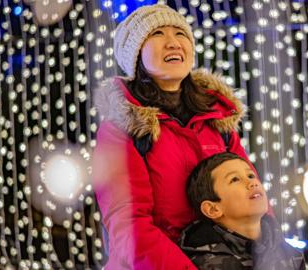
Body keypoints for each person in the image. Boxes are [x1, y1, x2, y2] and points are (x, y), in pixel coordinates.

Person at [92, 4, 250, 270]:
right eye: (157, 34)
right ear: (135, 55)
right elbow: (129, 228)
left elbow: (250, 196)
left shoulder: (217, 119)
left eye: (180, 33)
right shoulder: (120, 130)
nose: (173, 42)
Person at [180, 152, 306, 270]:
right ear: (213, 209)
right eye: (235, 179)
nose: (252, 182)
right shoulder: (205, 263)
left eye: (251, 175)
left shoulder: (293, 256)